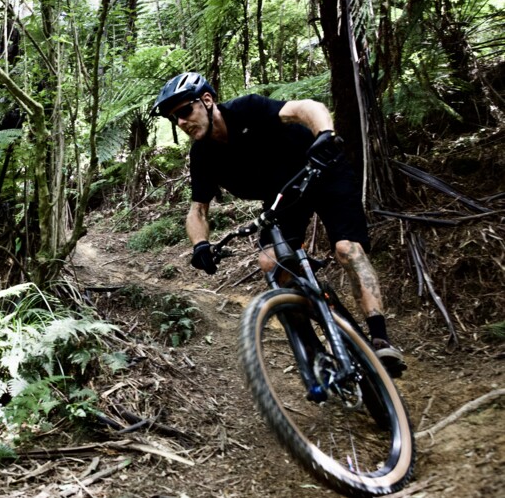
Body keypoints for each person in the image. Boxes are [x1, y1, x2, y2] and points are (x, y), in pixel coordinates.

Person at [152, 71, 406, 376]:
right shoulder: (203, 155)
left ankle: (380, 340)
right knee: (270, 263)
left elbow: (305, 108)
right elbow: (198, 211)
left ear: (207, 100)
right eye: (173, 119)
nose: (181, 122)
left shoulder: (247, 109)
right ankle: (313, 351)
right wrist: (200, 245)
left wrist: (324, 134)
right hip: (284, 197)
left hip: (323, 172)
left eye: (184, 111)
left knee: (346, 248)